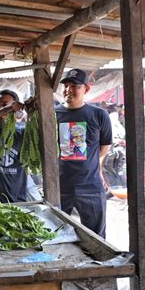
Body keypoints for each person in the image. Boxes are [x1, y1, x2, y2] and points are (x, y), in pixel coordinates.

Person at [56, 69, 112, 238]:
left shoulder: (99, 114)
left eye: (75, 85)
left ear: (86, 89)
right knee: (57, 234)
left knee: (96, 236)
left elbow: (104, 147)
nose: (68, 89)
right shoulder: (53, 114)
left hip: (91, 186)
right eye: (66, 85)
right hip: (60, 186)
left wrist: (87, 164)